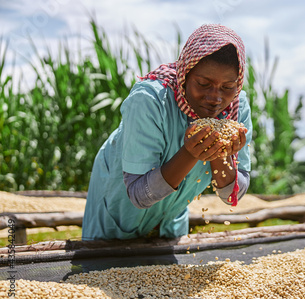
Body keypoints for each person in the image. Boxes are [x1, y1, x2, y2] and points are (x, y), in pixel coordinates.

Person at [82, 24, 252, 240]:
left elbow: (232, 196)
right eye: (203, 84)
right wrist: (190, 153)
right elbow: (139, 196)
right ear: (184, 75)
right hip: (117, 216)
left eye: (227, 87)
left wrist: (221, 154)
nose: (215, 98)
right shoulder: (149, 100)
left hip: (171, 219)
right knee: (104, 270)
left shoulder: (236, 108)